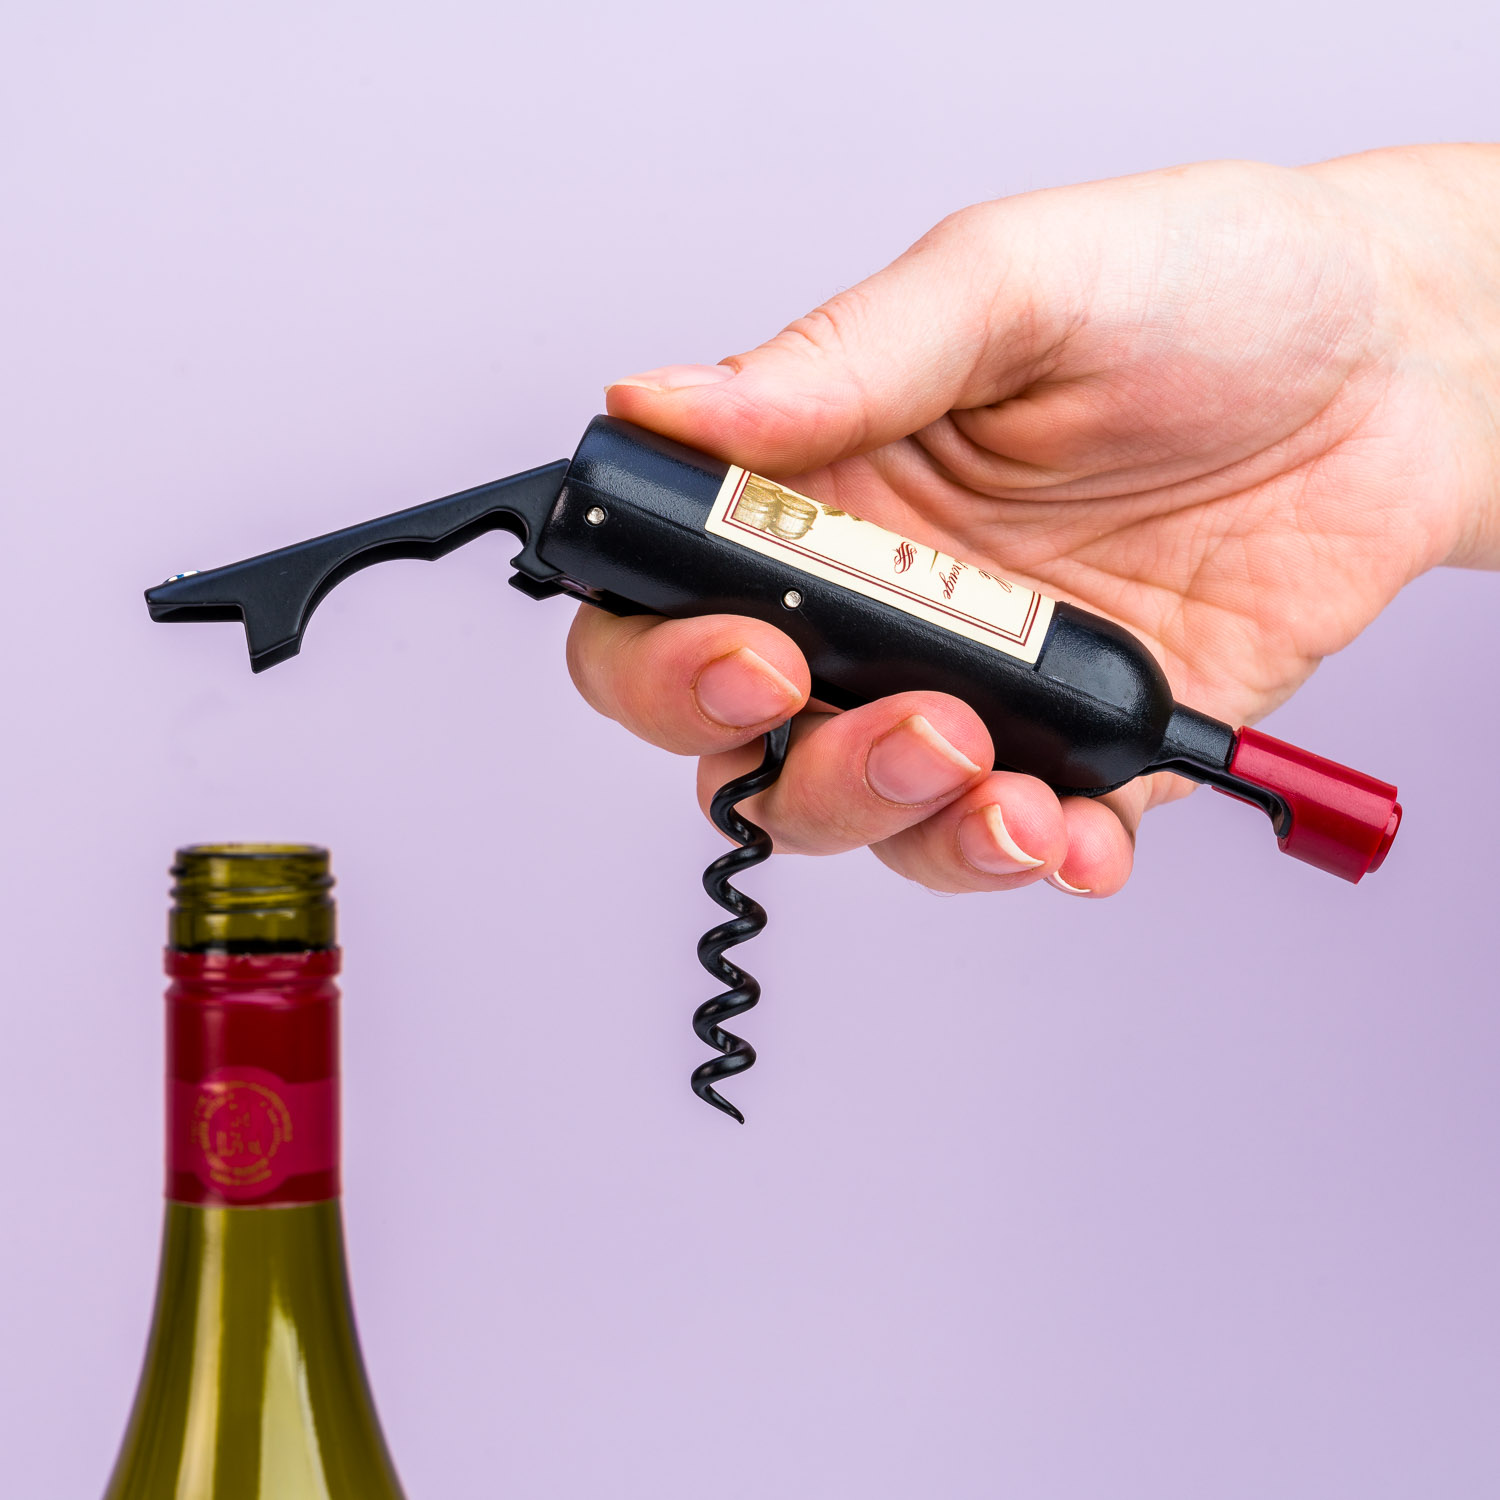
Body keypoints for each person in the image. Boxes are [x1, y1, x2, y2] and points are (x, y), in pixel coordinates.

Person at [566, 147, 1499, 898]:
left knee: (848, 723)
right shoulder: (1119, 706)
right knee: (793, 699)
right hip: (633, 503)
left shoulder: (1118, 707)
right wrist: (1406, 331)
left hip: (625, 506)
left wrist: (1414, 342)